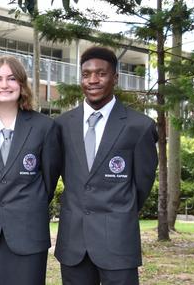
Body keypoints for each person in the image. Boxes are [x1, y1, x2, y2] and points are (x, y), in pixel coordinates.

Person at [54, 46, 158, 285]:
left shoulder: (139, 126)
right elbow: (55, 174)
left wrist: (117, 213)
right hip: (73, 243)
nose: (92, 80)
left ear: (115, 78)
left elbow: (141, 186)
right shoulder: (61, 125)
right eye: (86, 74)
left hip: (118, 241)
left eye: (101, 73)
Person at [0, 55, 60, 285]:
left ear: (22, 84)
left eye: (11, 78)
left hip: (28, 232)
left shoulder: (44, 127)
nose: (4, 85)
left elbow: (48, 180)